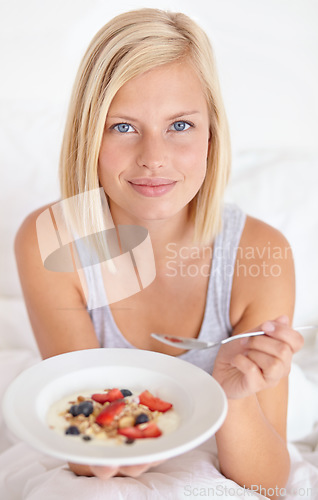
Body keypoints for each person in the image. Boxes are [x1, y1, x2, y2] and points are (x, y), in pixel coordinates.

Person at [14, 7, 303, 497]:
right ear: (89, 135)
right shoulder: (52, 242)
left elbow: (270, 484)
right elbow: (87, 443)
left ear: (212, 133)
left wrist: (232, 396)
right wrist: (101, 456)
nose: (153, 157)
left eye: (181, 125)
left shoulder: (260, 254)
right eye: (123, 127)